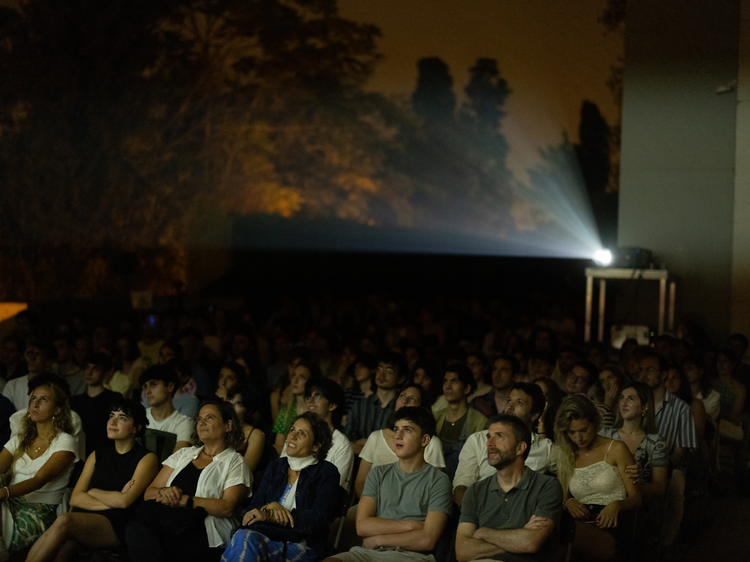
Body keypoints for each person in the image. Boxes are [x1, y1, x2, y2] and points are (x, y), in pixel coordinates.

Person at [27, 399, 159, 562]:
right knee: (62, 550)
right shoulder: (97, 454)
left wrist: (93, 492)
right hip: (88, 518)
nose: (113, 421)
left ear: (136, 428)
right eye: (112, 415)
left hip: (121, 524)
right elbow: (76, 498)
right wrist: (113, 499)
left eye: (122, 418)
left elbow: (125, 502)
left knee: (65, 520)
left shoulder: (147, 458)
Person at [126, 400, 251, 562]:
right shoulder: (184, 454)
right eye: (199, 419)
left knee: (154, 541)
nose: (202, 423)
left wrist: (185, 500)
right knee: (136, 529)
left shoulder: (235, 461)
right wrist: (164, 491)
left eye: (209, 418)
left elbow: (228, 507)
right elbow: (149, 493)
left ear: (228, 425)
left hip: (204, 532)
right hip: (169, 521)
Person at [324, 406, 453, 562]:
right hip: (368, 554)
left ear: (425, 440)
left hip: (412, 556)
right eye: (396, 429)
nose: (397, 436)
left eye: (407, 430)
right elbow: (363, 526)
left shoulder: (438, 480)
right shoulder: (378, 473)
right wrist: (412, 525)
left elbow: (428, 539)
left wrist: (379, 540)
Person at [221, 412, 341, 562]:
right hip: (268, 536)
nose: (292, 436)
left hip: (303, 544)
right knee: (243, 537)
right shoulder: (276, 467)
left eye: (302, 433)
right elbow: (254, 507)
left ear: (316, 445)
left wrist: (272, 515)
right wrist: (268, 508)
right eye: (292, 430)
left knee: (244, 541)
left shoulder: (327, 472)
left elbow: (318, 519)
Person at [455, 414, 563, 562]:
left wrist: (484, 533)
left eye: (499, 436)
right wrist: (519, 537)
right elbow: (462, 551)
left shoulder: (546, 486)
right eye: (488, 437)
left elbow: (531, 543)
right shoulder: (475, 491)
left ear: (520, 448)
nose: (489, 443)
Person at [555, 394, 641, 561]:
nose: (578, 438)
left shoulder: (616, 448)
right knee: (558, 547)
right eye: (571, 432)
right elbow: (562, 499)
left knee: (555, 535)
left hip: (614, 523)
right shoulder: (565, 454)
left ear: (594, 423)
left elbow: (636, 498)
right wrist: (569, 502)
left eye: (583, 430)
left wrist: (617, 505)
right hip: (580, 521)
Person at [0, 379, 78, 560]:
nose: (35, 403)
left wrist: (3, 493)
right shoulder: (20, 439)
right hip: (9, 504)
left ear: (57, 409)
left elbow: (39, 480)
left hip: (40, 512)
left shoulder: (65, 441)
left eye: (43, 400)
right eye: (33, 398)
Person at [453, 382, 552, 507]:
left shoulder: (545, 448)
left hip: (521, 514)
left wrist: (568, 501)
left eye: (519, 403)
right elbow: (462, 484)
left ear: (535, 414)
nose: (510, 407)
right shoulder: (478, 440)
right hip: (480, 511)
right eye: (509, 400)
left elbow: (572, 465)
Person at [637, 349, 697, 551]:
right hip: (632, 462)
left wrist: (661, 466)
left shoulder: (680, 409)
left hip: (668, 465)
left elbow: (681, 452)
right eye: (641, 370)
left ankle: (665, 544)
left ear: (663, 375)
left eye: (650, 370)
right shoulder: (633, 403)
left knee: (675, 488)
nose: (644, 374)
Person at [355, 383, 445, 498]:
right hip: (373, 505)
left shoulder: (432, 443)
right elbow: (361, 482)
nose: (405, 401)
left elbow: (434, 488)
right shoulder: (375, 437)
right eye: (402, 395)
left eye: (413, 398)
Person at [600, 382, 668, 499]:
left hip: (640, 506)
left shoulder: (656, 441)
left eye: (631, 398)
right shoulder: (605, 435)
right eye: (622, 398)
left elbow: (659, 487)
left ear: (645, 406)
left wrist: (635, 483)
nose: (624, 403)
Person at [282, 378, 353, 490]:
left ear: (332, 405)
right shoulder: (295, 433)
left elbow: (335, 488)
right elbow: (281, 471)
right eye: (309, 396)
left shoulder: (342, 444)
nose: (311, 400)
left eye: (318, 396)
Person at [346, 353, 406, 455]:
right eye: (379, 369)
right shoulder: (359, 406)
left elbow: (400, 447)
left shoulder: (402, 409)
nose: (382, 375)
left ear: (401, 378)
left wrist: (366, 445)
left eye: (389, 371)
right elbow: (346, 443)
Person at [434, 364, 488, 478]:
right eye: (445, 381)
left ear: (467, 388)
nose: (447, 386)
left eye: (454, 381)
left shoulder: (479, 421)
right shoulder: (435, 418)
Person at [70, 352, 123, 457]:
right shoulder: (74, 401)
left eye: (96, 369)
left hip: (106, 454)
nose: (89, 372)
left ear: (106, 373)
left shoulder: (114, 399)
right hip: (79, 453)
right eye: (87, 367)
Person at [141, 364, 194, 454]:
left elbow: (177, 461)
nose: (148, 391)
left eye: (153, 385)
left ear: (170, 387)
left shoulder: (184, 423)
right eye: (146, 386)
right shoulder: (139, 417)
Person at [273, 359, 320, 455]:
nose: (295, 380)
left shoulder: (317, 411)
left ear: (311, 382)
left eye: (302, 377)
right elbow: (279, 446)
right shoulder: (286, 409)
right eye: (294, 375)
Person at [3, 337, 56, 410]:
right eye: (31, 353)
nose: (32, 358)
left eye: (38, 354)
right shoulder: (12, 385)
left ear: (49, 361)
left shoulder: (55, 386)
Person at [227, 385, 268, 474]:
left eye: (238, 404)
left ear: (249, 411)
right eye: (229, 400)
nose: (231, 407)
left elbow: (245, 472)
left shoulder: (256, 434)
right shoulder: (220, 427)